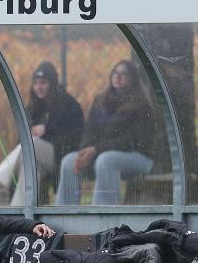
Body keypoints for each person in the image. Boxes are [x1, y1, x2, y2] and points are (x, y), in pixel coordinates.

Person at [0, 61, 84, 205]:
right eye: (35, 83)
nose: (39, 87)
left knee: (30, 145)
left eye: (43, 82)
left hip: (62, 156)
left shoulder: (68, 104)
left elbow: (74, 138)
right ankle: (21, 217)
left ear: (52, 83)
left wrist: (46, 130)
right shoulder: (34, 106)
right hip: (37, 158)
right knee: (29, 169)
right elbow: (21, 141)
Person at [55, 59, 158, 205]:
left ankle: (105, 217)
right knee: (70, 161)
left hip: (139, 158)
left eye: (124, 74)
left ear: (133, 78)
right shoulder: (100, 101)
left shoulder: (142, 105)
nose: (118, 76)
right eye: (115, 72)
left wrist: (96, 150)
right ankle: (65, 215)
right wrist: (85, 152)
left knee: (106, 160)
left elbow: (131, 141)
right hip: (99, 154)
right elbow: (89, 130)